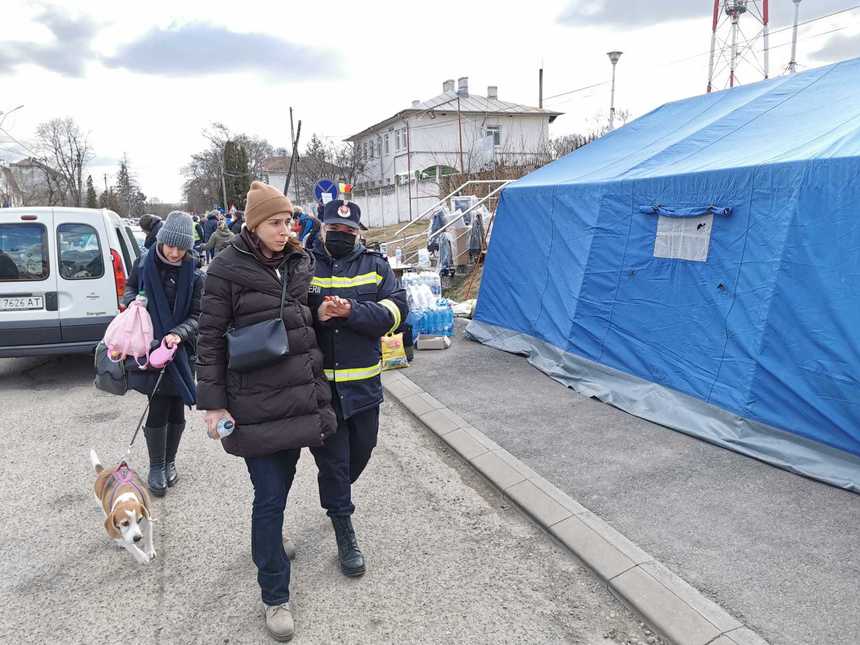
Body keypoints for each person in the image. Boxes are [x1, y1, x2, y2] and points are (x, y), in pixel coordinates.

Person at [197, 181, 337, 642]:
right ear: (253, 225)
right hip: (253, 403)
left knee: (285, 480)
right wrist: (213, 404)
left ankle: (271, 540)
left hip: (298, 397)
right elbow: (211, 338)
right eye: (276, 223)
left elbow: (299, 312)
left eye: (288, 221)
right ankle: (275, 595)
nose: (285, 229)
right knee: (269, 495)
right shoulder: (225, 269)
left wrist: (324, 309)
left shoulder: (298, 261)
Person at [308, 199, 408, 577]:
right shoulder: (304, 265)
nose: (341, 235)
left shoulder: (377, 266)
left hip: (364, 386)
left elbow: (397, 312)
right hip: (322, 389)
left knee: (361, 452)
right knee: (333, 462)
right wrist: (319, 313)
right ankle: (343, 527)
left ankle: (336, 495)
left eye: (348, 231)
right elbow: (293, 314)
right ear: (322, 229)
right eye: (334, 229)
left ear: (358, 234)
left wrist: (351, 312)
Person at [122, 211, 203, 496]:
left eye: (181, 247)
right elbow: (129, 288)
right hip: (151, 346)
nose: (175, 252)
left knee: (176, 405)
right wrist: (134, 301)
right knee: (157, 403)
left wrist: (179, 333)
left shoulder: (194, 274)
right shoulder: (144, 264)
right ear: (162, 240)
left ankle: (170, 462)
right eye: (171, 245)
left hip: (180, 350)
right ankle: (156, 466)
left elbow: (198, 315)